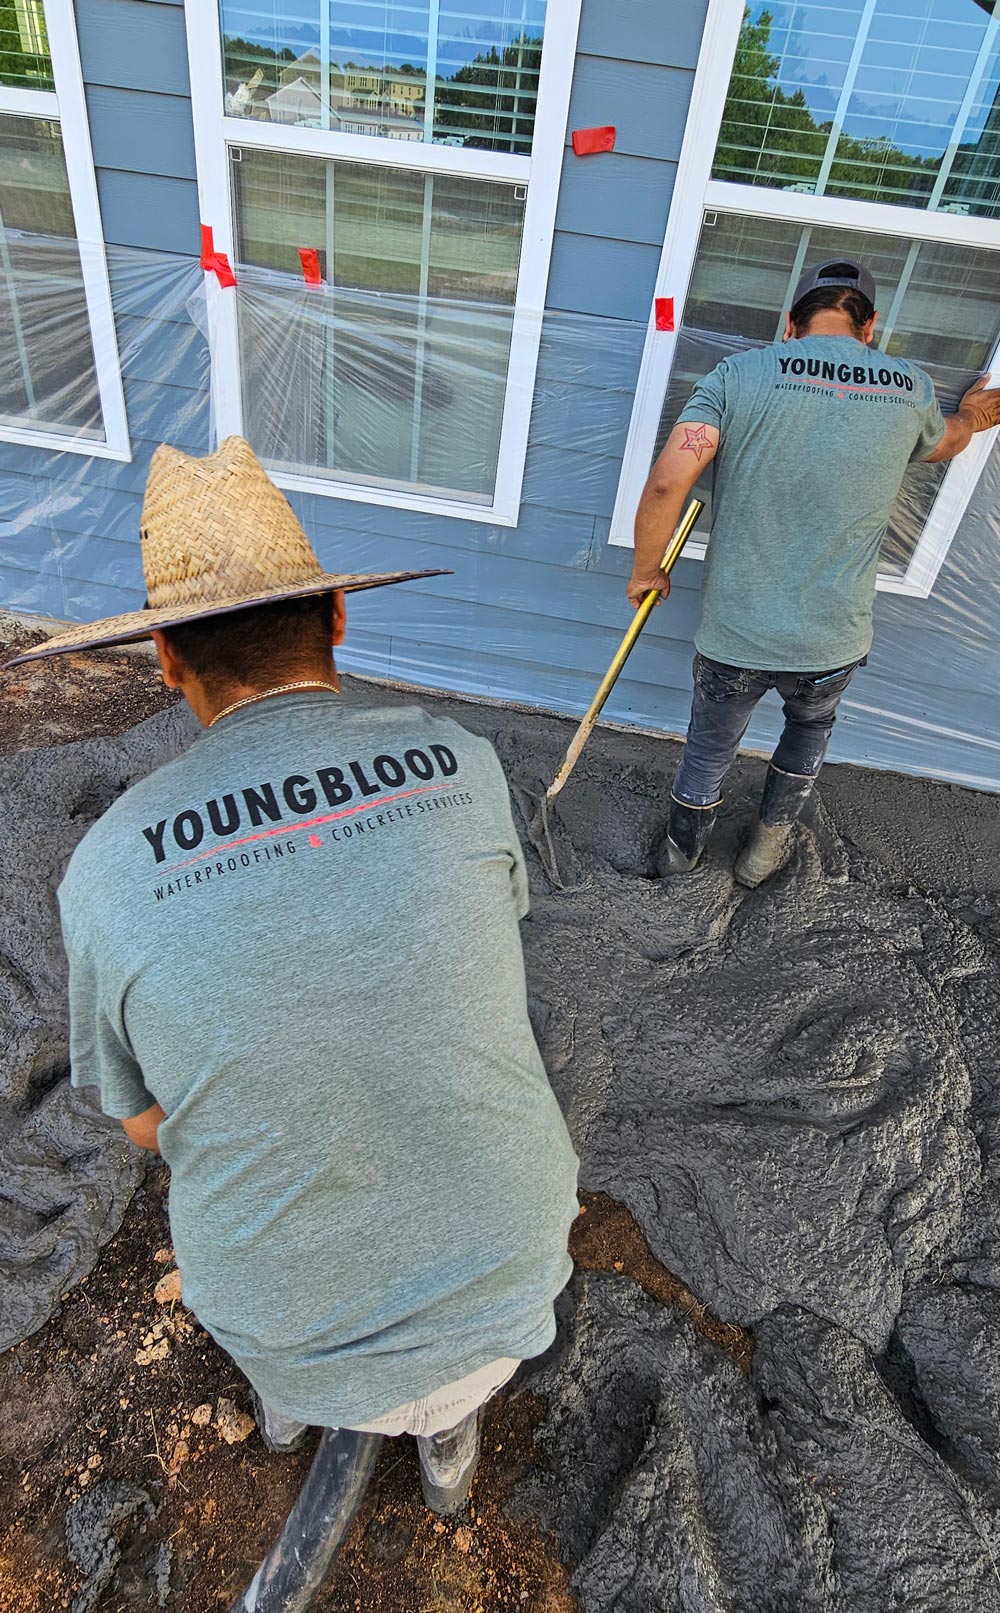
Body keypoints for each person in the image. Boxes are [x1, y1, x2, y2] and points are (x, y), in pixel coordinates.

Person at [13, 437, 579, 1599]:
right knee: (448, 1381)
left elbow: (141, 1127)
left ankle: (287, 1416)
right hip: (513, 1270)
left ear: (164, 659)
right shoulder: (463, 761)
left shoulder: (109, 867)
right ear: (335, 616)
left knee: (273, 1319)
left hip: (281, 1310)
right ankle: (447, 1459)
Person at [627, 257, 1000, 888]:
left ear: (788, 324)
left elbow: (668, 482)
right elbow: (947, 442)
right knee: (808, 732)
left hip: (736, 633)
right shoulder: (907, 388)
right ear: (870, 324)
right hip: (832, 638)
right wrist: (972, 413)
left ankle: (681, 854)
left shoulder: (738, 374)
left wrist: (647, 571)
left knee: (710, 743)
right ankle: (761, 856)